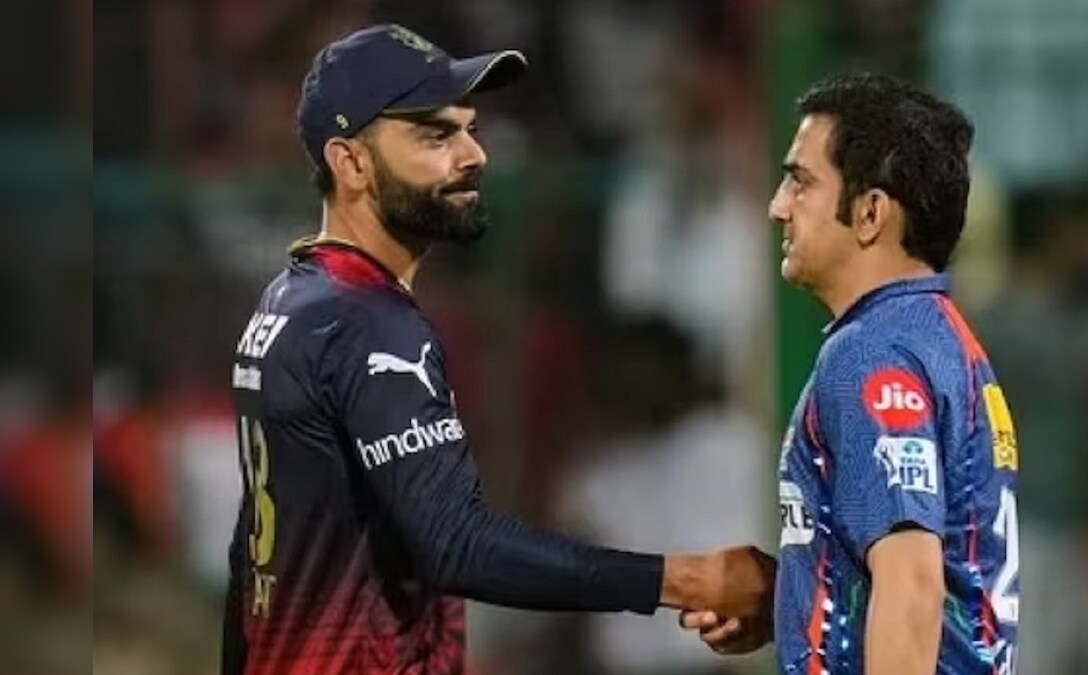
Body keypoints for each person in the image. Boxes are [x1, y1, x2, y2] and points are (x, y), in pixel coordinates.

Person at [221, 24, 774, 675]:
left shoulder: (290, 300)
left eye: (468, 129)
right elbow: (457, 545)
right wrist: (691, 580)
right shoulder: (370, 325)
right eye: (434, 136)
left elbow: (253, 560)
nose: (473, 154)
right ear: (352, 163)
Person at [682, 73, 1020, 674]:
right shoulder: (944, 341)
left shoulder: (870, 355)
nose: (778, 206)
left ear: (869, 213)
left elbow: (911, 587)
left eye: (801, 181)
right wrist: (793, 600)